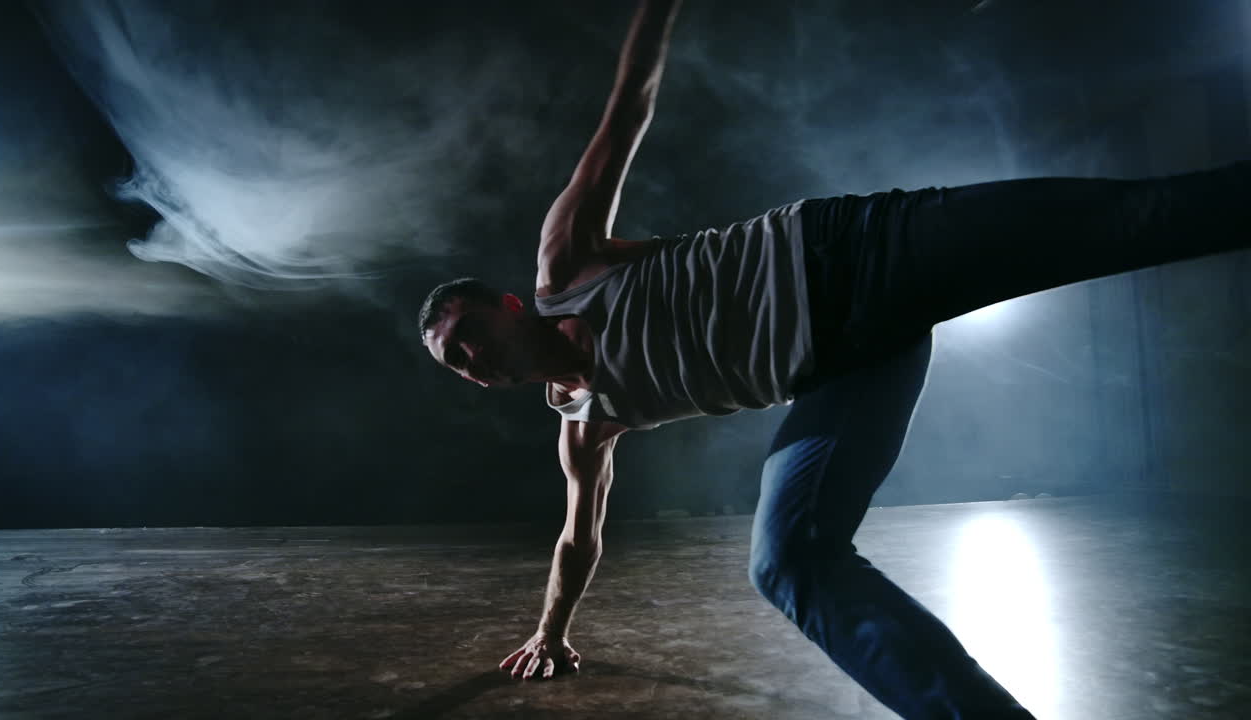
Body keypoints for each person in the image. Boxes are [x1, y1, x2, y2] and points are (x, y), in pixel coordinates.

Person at [418, 1, 1250, 717]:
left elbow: (626, 111)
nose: (470, 359)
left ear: (507, 305)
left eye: (468, 334)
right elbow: (577, 541)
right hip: (845, 371)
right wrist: (552, 634)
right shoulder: (585, 427)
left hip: (870, 250)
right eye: (456, 362)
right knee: (787, 562)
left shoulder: (566, 265)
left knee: (1142, 220)